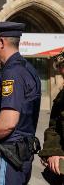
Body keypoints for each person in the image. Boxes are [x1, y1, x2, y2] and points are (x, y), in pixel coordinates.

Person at [0, 21, 41, 185]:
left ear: (1, 42)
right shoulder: (26, 67)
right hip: (18, 153)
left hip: (8, 155)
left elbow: (7, 122)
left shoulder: (12, 72)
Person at [38, 51, 64, 184]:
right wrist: (52, 151)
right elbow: (54, 127)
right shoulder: (61, 95)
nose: (61, 70)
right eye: (60, 67)